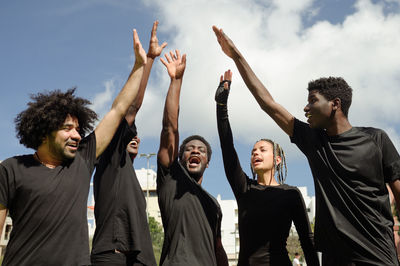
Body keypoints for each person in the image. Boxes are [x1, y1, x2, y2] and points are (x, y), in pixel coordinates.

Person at [213, 26, 400, 265]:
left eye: (313, 101)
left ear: (335, 104)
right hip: (336, 259)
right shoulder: (315, 143)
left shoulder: (376, 140)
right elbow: (268, 103)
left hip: (378, 257)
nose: (306, 108)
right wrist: (236, 56)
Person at [0, 27, 148, 265]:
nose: (77, 135)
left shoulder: (82, 160)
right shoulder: (11, 169)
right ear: (44, 131)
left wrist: (139, 66)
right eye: (67, 128)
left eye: (78, 129)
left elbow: (118, 109)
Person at [215, 70, 319, 266]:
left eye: (262, 150)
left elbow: (307, 240)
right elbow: (227, 147)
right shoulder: (245, 188)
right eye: (253, 151)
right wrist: (221, 106)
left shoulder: (291, 194)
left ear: (277, 159)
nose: (256, 153)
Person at [90, 21, 166, 266]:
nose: (135, 137)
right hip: (112, 257)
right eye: (129, 134)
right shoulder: (109, 159)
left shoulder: (131, 177)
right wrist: (149, 61)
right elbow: (130, 108)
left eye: (136, 135)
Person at [156, 49, 228, 266]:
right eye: (189, 148)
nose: (196, 151)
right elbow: (170, 127)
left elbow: (218, 247)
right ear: (179, 156)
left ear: (208, 161)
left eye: (201, 150)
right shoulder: (171, 178)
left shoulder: (213, 204)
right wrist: (176, 82)